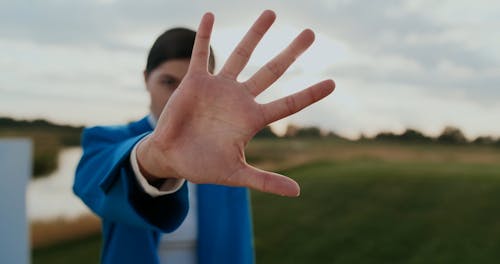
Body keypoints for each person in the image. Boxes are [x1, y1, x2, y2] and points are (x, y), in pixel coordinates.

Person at [73, 10, 335, 264]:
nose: (179, 97)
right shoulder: (105, 139)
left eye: (189, 84)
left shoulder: (224, 150)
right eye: (168, 82)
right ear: (145, 79)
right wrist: (154, 159)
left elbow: (238, 243)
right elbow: (92, 184)